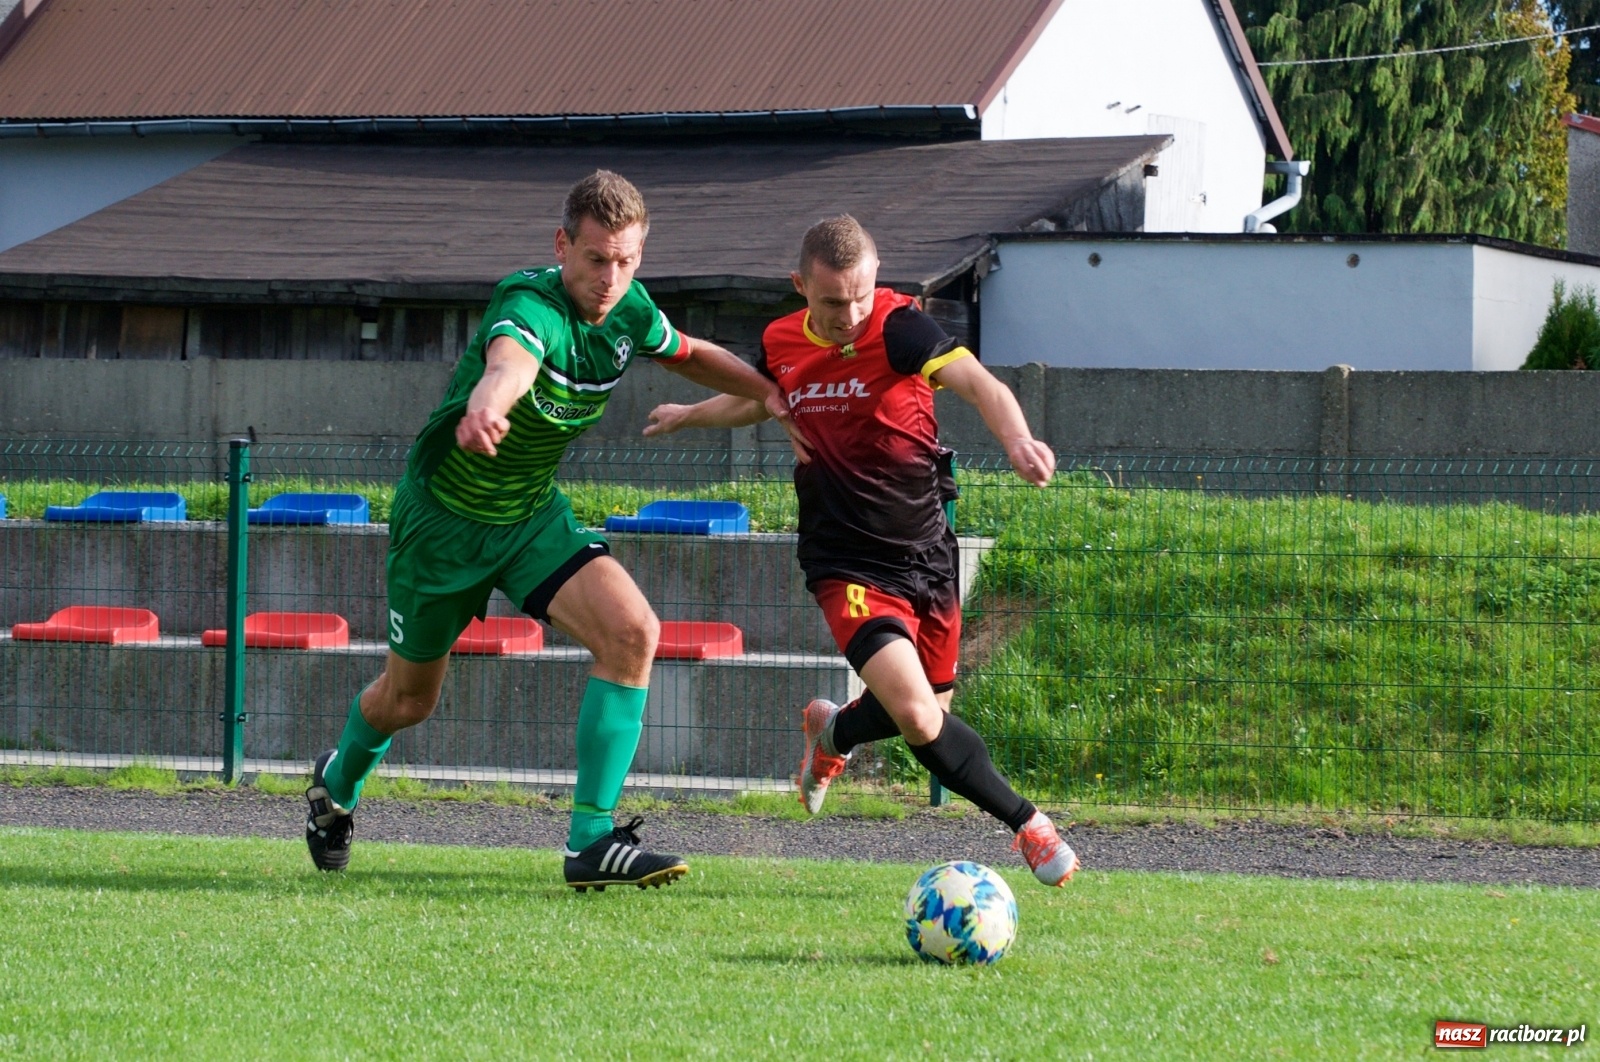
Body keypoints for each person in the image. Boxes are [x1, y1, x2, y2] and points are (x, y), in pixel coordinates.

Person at [304, 170, 807, 891]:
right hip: (443, 526)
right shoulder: (530, 303)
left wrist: (768, 393)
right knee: (409, 701)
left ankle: (591, 841)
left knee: (634, 631)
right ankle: (336, 785)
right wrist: (487, 401)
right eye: (597, 258)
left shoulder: (629, 311)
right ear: (562, 245)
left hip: (530, 515)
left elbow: (690, 353)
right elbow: (511, 361)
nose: (610, 277)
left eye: (627, 260)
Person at [643, 215, 1078, 886]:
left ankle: (833, 733)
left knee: (931, 712)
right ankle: (1030, 826)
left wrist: (1017, 438)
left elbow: (981, 385)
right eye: (831, 301)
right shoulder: (781, 341)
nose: (849, 315)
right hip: (844, 559)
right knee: (916, 714)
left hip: (927, 554)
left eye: (859, 296)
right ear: (799, 287)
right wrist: (689, 413)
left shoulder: (902, 327)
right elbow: (761, 401)